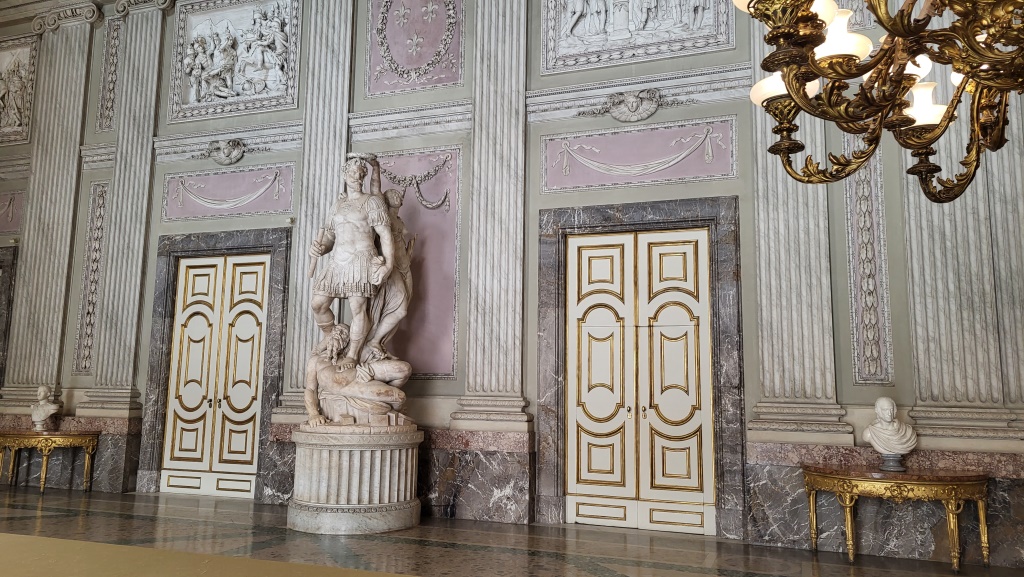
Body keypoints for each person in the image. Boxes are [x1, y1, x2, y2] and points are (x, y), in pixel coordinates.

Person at [309, 154, 395, 370]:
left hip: (361, 259)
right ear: (344, 175)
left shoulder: (372, 202)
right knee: (318, 304)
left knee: (358, 308)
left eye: (360, 173)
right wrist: (320, 248)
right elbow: (329, 237)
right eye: (353, 172)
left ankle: (353, 355)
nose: (357, 176)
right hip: (337, 262)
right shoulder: (337, 205)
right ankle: (331, 336)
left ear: (364, 176)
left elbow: (385, 235)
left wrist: (388, 265)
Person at [303, 324, 412, 428]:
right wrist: (313, 414)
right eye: (337, 330)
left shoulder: (352, 355)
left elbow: (366, 338)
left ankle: (383, 396)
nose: (339, 334)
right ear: (330, 335)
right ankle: (387, 402)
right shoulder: (316, 360)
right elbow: (310, 389)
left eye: (344, 333)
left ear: (348, 341)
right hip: (352, 386)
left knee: (405, 369)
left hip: (362, 372)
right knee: (400, 396)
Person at [365, 188, 415, 356]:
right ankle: (374, 341)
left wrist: (408, 253)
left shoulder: (399, 220)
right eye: (392, 194)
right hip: (392, 268)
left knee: (405, 303)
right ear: (385, 200)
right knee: (401, 309)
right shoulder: (383, 217)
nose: (397, 196)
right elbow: (376, 190)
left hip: (405, 266)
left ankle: (380, 343)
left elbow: (400, 242)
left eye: (398, 194)